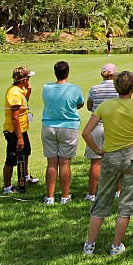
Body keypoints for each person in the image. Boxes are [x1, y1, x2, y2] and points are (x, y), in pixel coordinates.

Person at [81, 70, 133, 256]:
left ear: (116, 87)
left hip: (110, 156)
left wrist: (97, 150)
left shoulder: (105, 107)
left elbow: (86, 132)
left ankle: (89, 245)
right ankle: (116, 246)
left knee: (102, 199)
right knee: (127, 201)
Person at [41, 60, 85, 204]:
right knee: (65, 163)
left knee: (52, 163)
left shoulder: (46, 88)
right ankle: (65, 196)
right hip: (68, 127)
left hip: (48, 127)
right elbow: (80, 103)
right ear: (67, 72)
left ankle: (50, 197)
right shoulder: (75, 88)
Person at [84, 63, 120, 202]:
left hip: (96, 127)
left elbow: (89, 106)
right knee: (116, 161)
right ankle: (117, 191)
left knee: (96, 162)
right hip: (114, 128)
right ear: (114, 74)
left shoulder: (94, 88)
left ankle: (92, 194)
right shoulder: (118, 88)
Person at [3, 66, 39, 194]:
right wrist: (19, 138)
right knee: (11, 159)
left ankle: (25, 176)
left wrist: (29, 90)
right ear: (24, 79)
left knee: (26, 152)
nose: (29, 79)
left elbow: (24, 104)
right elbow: (14, 117)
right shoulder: (14, 93)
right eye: (28, 77)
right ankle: (7, 187)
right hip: (14, 132)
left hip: (22, 129)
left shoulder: (20, 91)